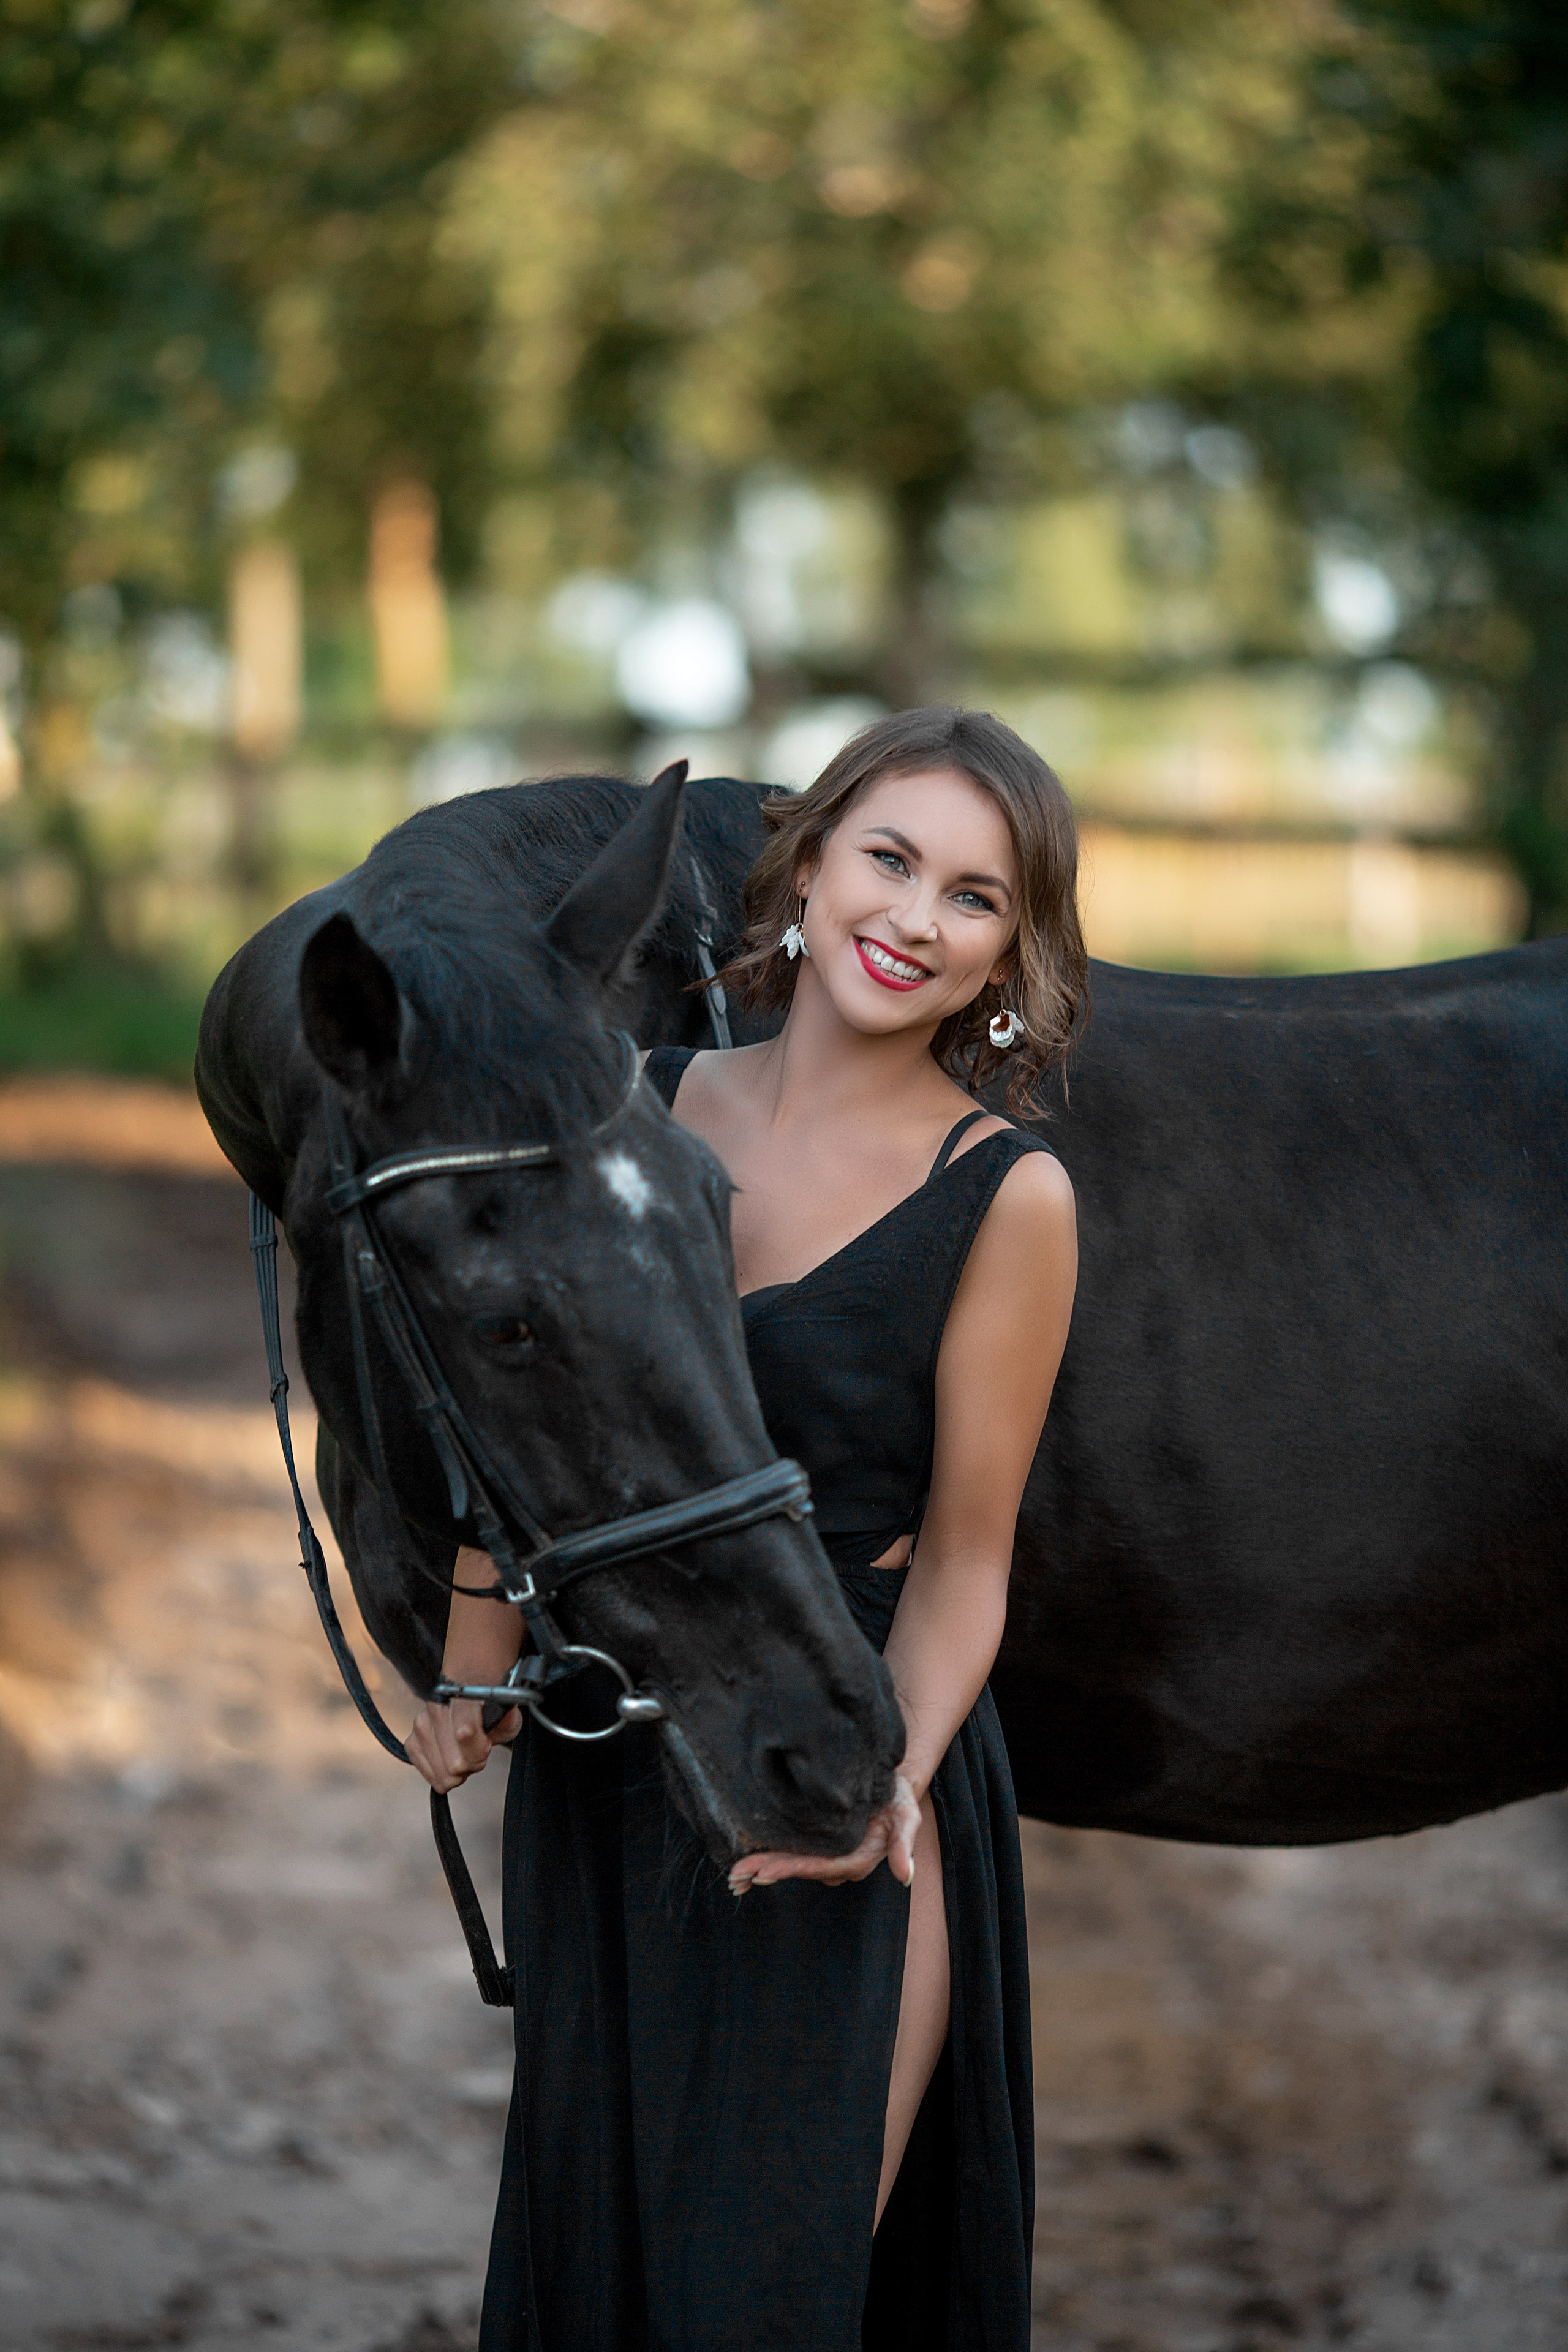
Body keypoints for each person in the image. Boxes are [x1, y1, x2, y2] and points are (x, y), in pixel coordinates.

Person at [407, 705, 1084, 2351]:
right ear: (808, 861)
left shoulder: (1010, 1196)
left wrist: (886, 1783)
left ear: (1010, 957)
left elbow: (969, 1554)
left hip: (830, 1753)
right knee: (604, 2281)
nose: (917, 918)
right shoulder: (626, 1105)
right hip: (617, 1750)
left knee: (767, 2295)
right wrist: (477, 1659)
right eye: (892, 857)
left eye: (977, 898)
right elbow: (531, 1420)